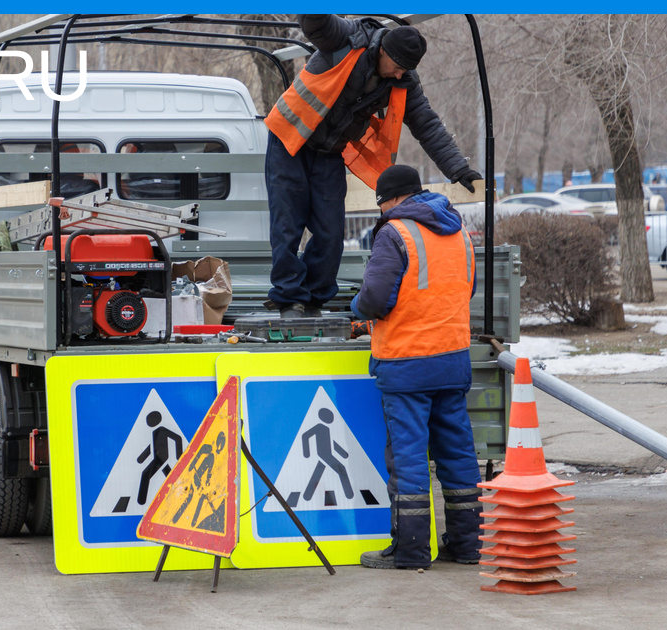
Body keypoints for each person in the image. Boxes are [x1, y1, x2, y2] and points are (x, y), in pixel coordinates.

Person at [265, 15, 481, 319]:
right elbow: (316, 24)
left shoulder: (404, 81)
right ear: (382, 50)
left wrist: (459, 170)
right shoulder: (348, 38)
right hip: (290, 138)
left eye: (405, 69)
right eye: (396, 65)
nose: (398, 73)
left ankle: (313, 300)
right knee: (288, 223)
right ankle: (289, 300)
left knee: (331, 231)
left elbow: (428, 127)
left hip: (328, 152)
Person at [351, 165, 482, 570]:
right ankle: (466, 545)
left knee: (409, 459)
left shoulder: (395, 233)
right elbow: (467, 288)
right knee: (458, 455)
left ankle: (409, 551)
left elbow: (374, 298)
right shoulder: (459, 231)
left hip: (408, 363)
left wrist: (355, 310)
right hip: (453, 359)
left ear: (390, 201)